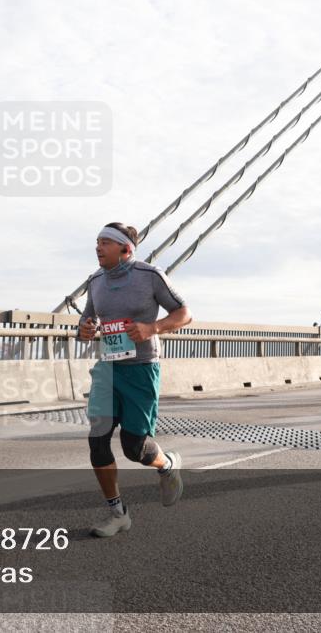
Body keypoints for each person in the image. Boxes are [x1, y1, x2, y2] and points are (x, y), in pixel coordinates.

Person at [78, 222, 192, 538]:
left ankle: (167, 464)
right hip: (106, 368)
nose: (98, 247)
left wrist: (151, 328)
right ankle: (117, 513)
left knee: (134, 447)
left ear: (125, 248)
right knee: (97, 440)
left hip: (141, 368)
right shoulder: (96, 281)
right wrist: (85, 330)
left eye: (105, 242)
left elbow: (184, 314)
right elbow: (86, 321)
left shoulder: (149, 275)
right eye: (97, 241)